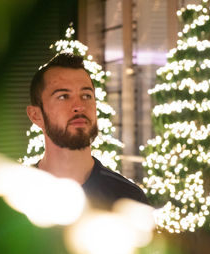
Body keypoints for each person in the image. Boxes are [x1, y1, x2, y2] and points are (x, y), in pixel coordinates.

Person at [26, 53, 149, 210]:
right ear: (36, 115)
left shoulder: (129, 200)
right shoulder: (16, 198)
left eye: (86, 95)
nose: (79, 106)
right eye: (63, 96)